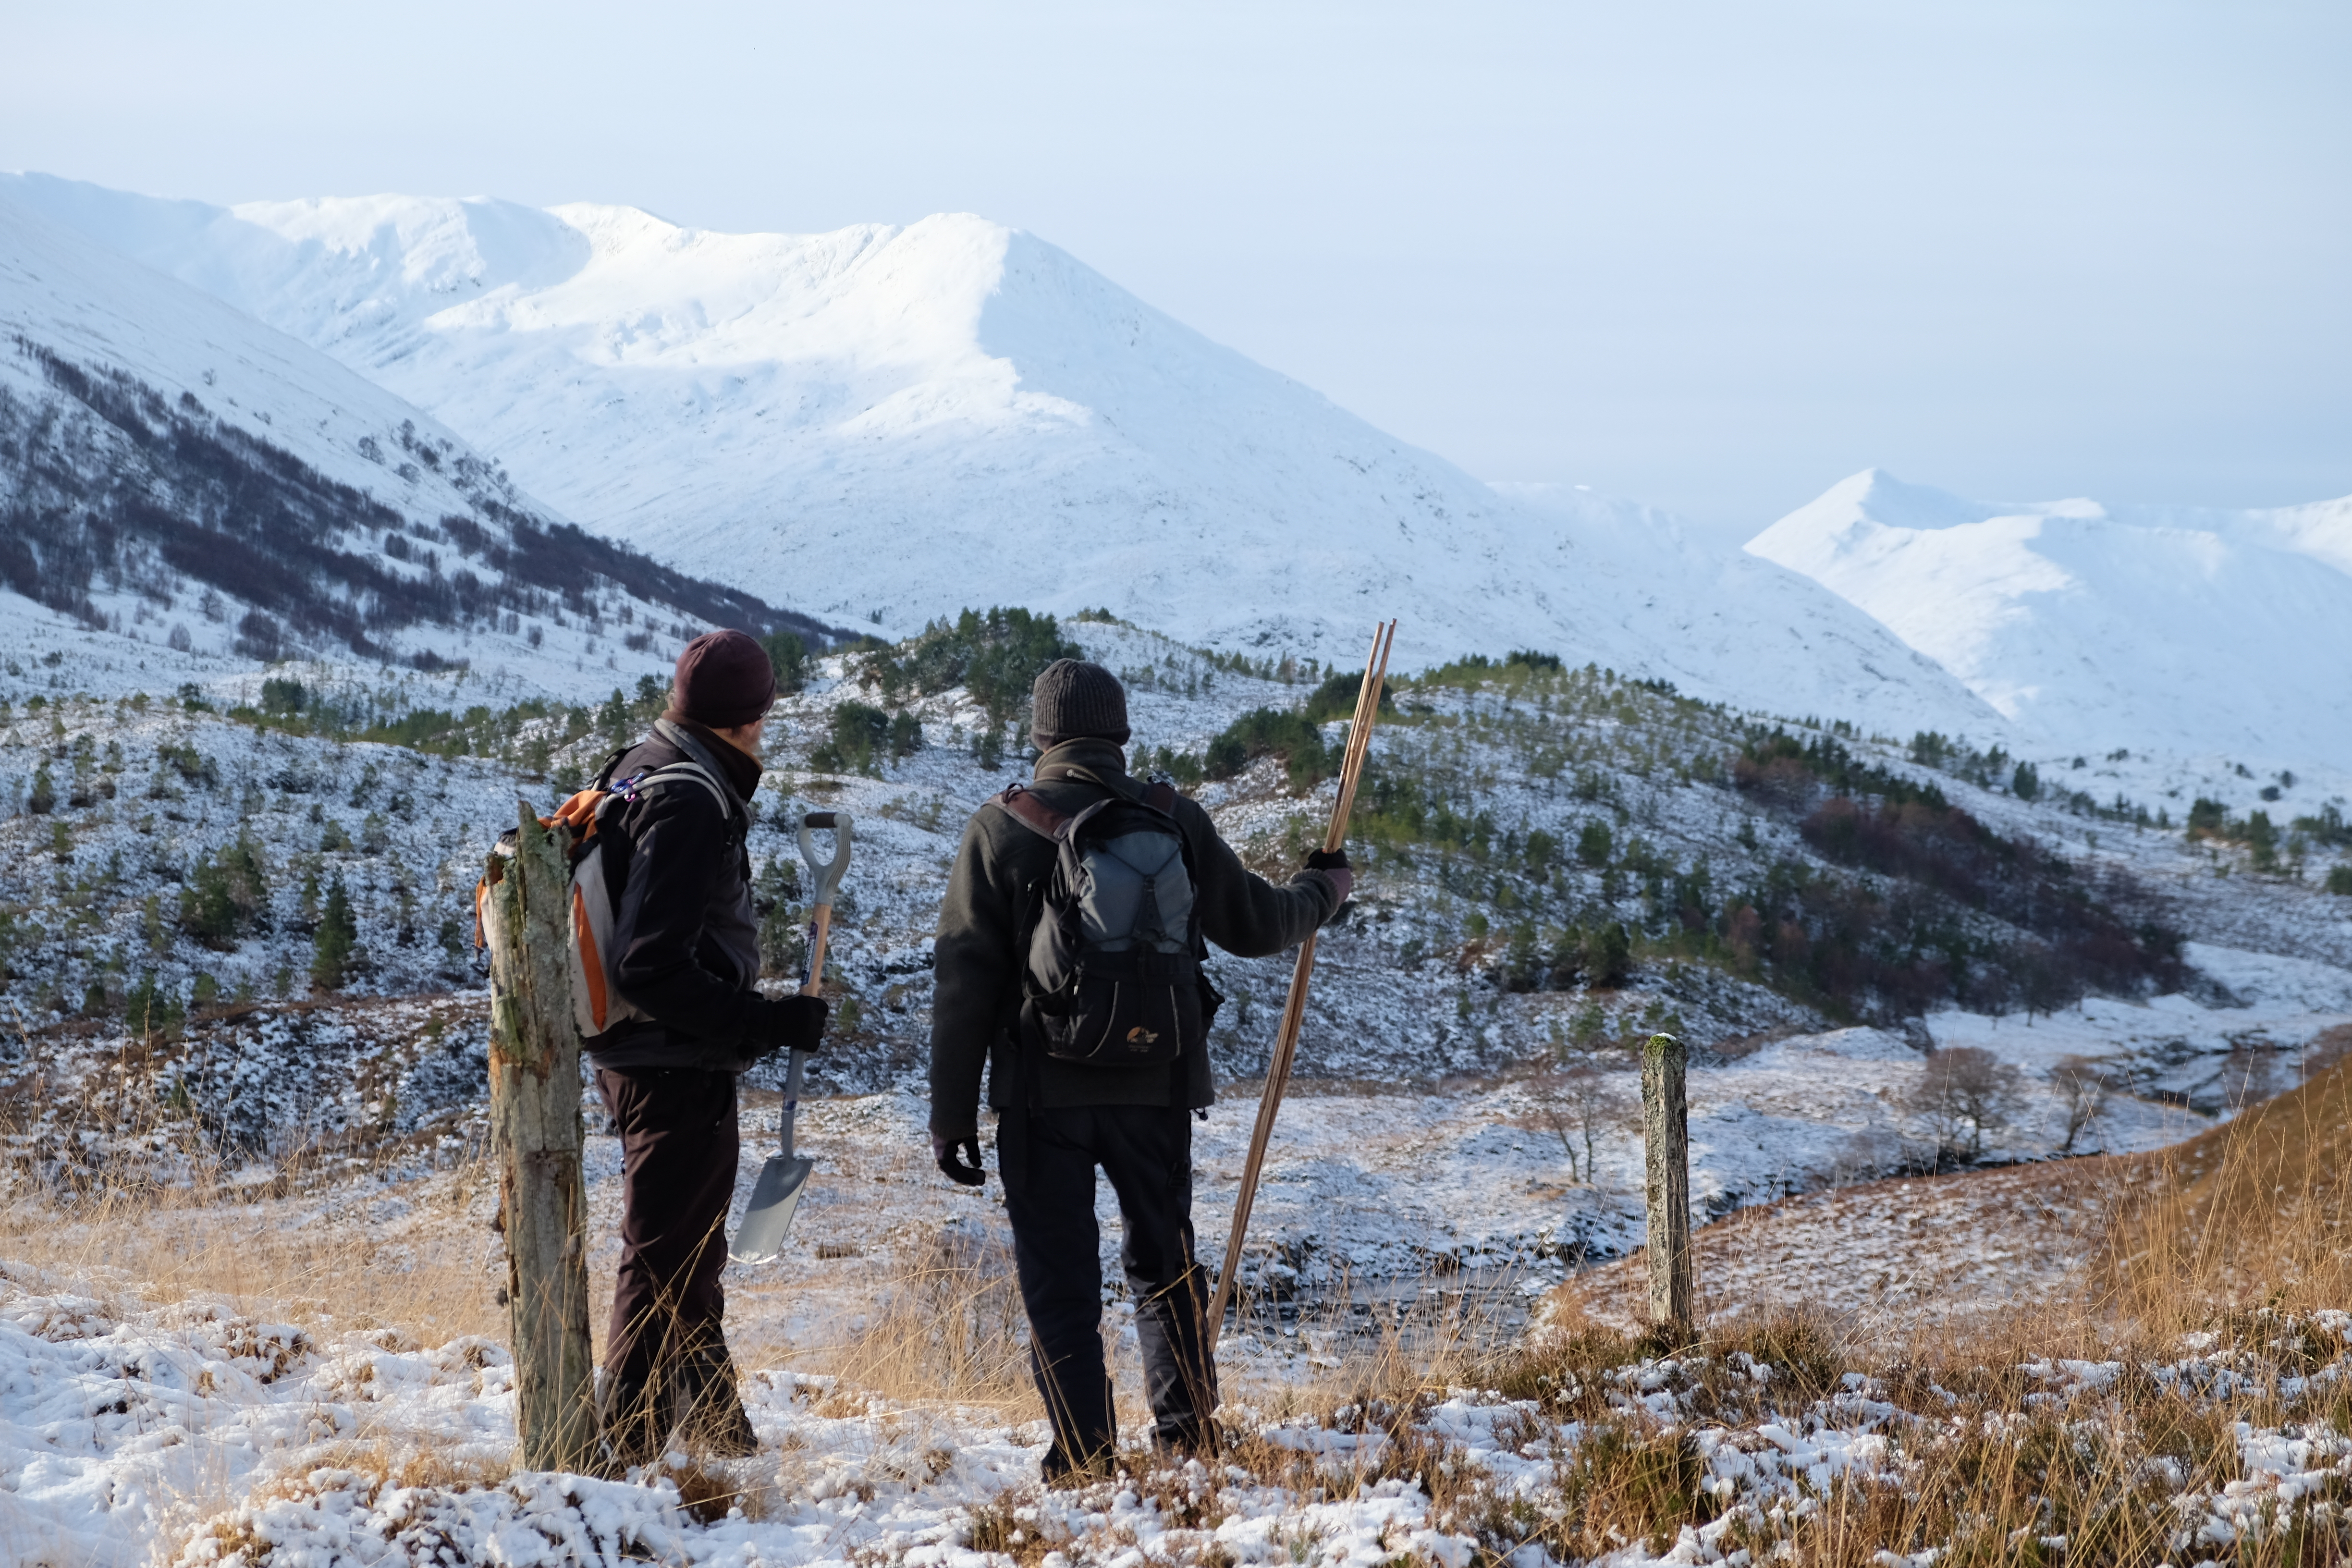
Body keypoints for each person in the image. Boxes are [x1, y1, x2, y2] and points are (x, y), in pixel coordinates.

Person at [928, 659, 1351, 1481]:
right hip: (1156, 1085)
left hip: (1040, 1095)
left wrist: (952, 1116)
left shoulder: (1001, 826)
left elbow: (963, 981)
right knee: (1164, 1264)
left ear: (1042, 736)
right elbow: (1259, 924)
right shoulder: (1171, 818)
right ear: (1120, 732)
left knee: (1059, 1279)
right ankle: (1188, 1441)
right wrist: (1323, 889)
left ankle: (1084, 1456)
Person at [588, 628, 829, 1466]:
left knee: (687, 1262)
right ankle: (613, 1459)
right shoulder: (690, 798)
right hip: (672, 1066)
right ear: (752, 717)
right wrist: (764, 1021)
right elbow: (649, 964)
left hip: (643, 1058)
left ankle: (723, 1443)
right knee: (658, 1262)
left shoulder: (638, 764)